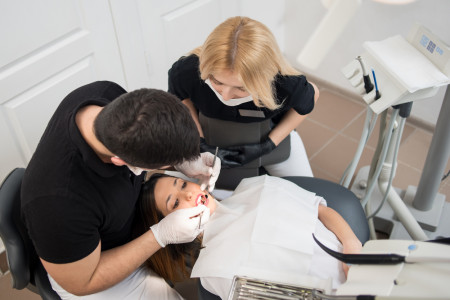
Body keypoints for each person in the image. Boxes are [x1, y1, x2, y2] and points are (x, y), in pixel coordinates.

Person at [21, 81, 220, 299]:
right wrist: (160, 236)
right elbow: (82, 282)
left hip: (119, 222)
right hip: (90, 268)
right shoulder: (58, 201)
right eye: (163, 166)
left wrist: (183, 160)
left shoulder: (106, 95)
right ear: (119, 161)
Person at [134, 173, 363, 299]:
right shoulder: (214, 271)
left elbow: (322, 211)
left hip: (361, 264)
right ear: (170, 227)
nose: (188, 194)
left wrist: (352, 245)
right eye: (174, 203)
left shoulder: (257, 186)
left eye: (182, 184)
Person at [168, 16, 319, 177]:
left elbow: (311, 96)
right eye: (217, 81)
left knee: (305, 193)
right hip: (210, 136)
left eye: (241, 88)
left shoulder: (284, 84)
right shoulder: (186, 71)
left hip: (268, 136)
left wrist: (269, 144)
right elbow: (181, 99)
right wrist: (198, 141)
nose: (226, 96)